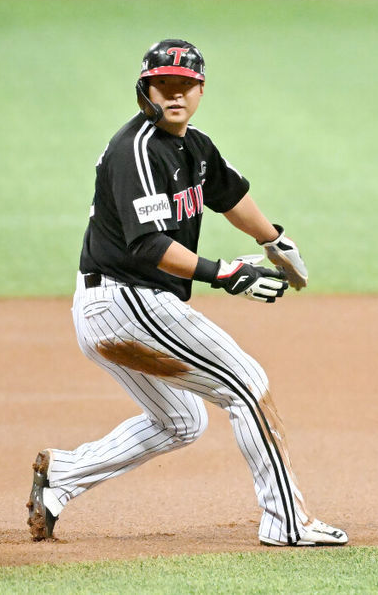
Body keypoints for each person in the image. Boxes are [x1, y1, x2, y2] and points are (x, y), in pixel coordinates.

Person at [27, 39, 347, 547]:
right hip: (126, 302)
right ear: (145, 90)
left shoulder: (194, 145)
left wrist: (274, 241)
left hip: (124, 305)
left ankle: (62, 475)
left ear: (200, 91)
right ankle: (285, 521)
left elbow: (230, 195)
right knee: (247, 385)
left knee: (181, 420)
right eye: (165, 85)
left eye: (186, 86)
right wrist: (224, 273)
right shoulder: (135, 152)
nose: (175, 95)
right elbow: (150, 244)